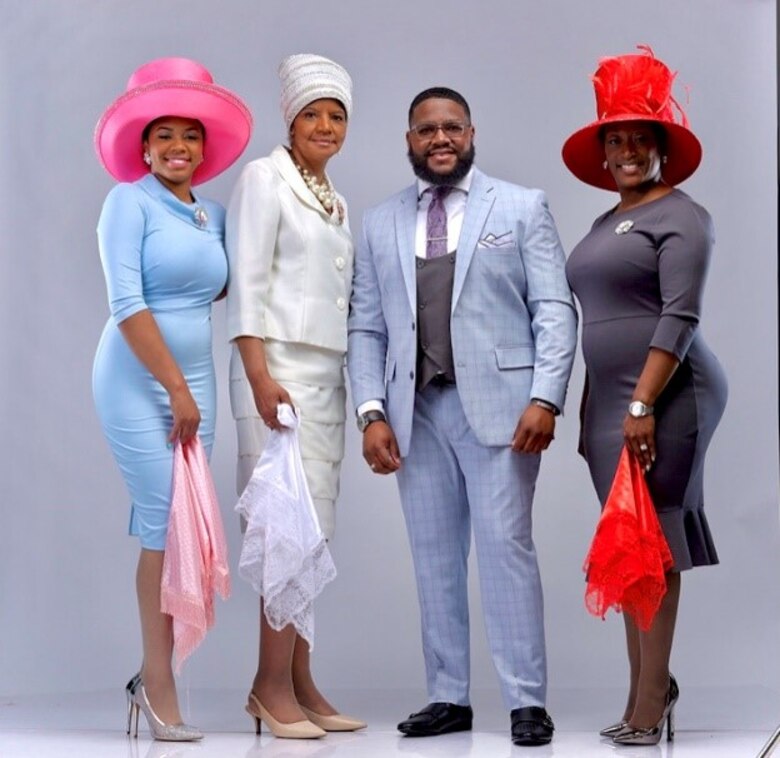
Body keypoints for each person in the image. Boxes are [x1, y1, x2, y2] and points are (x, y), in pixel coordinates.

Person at [347, 86, 577, 746]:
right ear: (408, 140)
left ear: (471, 133)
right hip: (413, 412)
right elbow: (365, 326)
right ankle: (449, 696)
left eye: (451, 127)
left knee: (506, 553)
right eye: (426, 129)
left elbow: (554, 310)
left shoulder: (521, 206)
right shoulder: (380, 221)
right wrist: (370, 411)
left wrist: (545, 396)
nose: (439, 138)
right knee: (433, 559)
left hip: (503, 413)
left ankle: (526, 701)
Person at [562, 47, 728, 746]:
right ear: (604, 151)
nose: (627, 151)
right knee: (627, 548)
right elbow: (596, 322)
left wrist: (640, 406)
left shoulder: (684, 217)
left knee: (652, 539)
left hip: (668, 396)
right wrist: (594, 408)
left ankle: (648, 702)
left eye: (639, 139)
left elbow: (679, 317)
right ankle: (645, 691)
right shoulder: (607, 223)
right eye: (616, 139)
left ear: (661, 147)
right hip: (611, 405)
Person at [93, 58, 252, 740]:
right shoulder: (126, 201)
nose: (178, 147)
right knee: (161, 521)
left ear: (204, 146)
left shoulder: (211, 213)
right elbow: (128, 305)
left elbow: (219, 289)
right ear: (143, 144)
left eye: (190, 134)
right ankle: (158, 687)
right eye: (164, 134)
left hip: (197, 385)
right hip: (138, 379)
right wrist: (176, 387)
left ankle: (148, 675)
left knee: (184, 523)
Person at [225, 53, 365, 739]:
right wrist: (257, 376)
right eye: (313, 113)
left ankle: (301, 681)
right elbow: (248, 283)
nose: (325, 125)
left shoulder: (337, 200)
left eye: (337, 115)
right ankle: (268, 685)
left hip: (325, 378)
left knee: (312, 537)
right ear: (291, 117)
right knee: (281, 530)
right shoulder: (264, 178)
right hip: (274, 371)